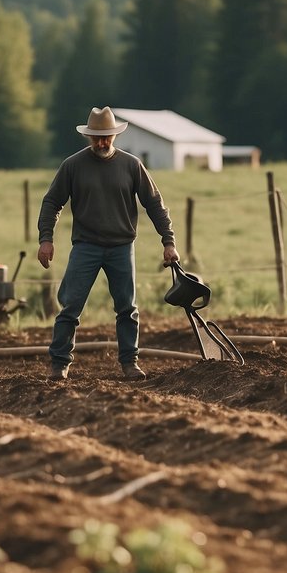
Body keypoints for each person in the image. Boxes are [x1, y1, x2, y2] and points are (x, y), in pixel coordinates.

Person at [37, 106, 180, 381]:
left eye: (107, 137)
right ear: (89, 137)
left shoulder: (131, 165)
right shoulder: (73, 165)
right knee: (70, 306)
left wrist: (168, 241)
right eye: (97, 138)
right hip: (85, 246)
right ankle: (59, 364)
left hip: (121, 247)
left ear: (115, 135)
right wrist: (46, 239)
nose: (102, 143)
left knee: (127, 308)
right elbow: (52, 202)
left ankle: (130, 363)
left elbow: (154, 204)